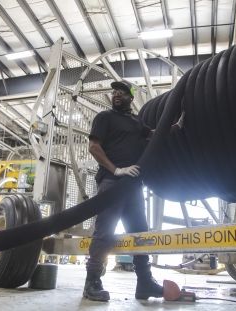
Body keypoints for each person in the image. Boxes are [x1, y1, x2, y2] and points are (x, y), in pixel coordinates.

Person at [83, 80, 163, 301]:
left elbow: (154, 134)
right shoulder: (104, 118)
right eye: (114, 91)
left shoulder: (137, 122)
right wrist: (116, 170)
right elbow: (94, 147)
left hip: (134, 187)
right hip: (112, 182)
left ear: (131, 97)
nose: (116, 94)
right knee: (104, 232)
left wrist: (175, 126)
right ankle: (92, 283)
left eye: (122, 91)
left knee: (140, 233)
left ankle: (145, 282)